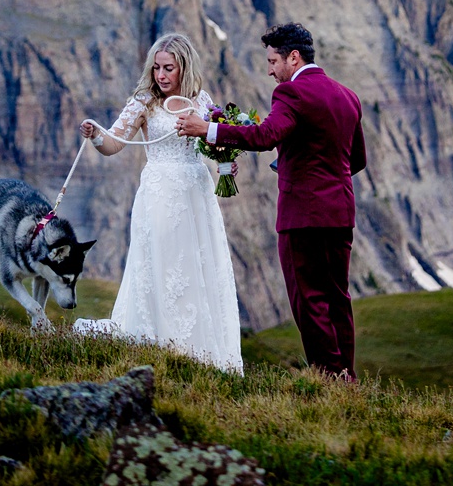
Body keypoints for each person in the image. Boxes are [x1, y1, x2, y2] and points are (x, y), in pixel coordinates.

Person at [177, 21, 366, 380]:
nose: (270, 71)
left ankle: (328, 378)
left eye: (273, 61)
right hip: (340, 211)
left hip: (303, 215)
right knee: (337, 297)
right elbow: (356, 159)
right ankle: (347, 375)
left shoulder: (292, 93)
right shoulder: (348, 96)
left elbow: (266, 136)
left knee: (309, 299)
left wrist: (208, 129)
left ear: (293, 58)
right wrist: (307, 168)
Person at [74, 32, 242, 373]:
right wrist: (96, 136)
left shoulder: (201, 100)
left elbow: (212, 145)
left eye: (169, 68)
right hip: (160, 194)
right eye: (156, 68)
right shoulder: (144, 102)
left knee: (197, 264)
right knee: (162, 263)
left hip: (197, 193)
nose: (161, 75)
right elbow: (114, 143)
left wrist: (225, 162)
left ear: (185, 67)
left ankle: (201, 352)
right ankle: (160, 342)